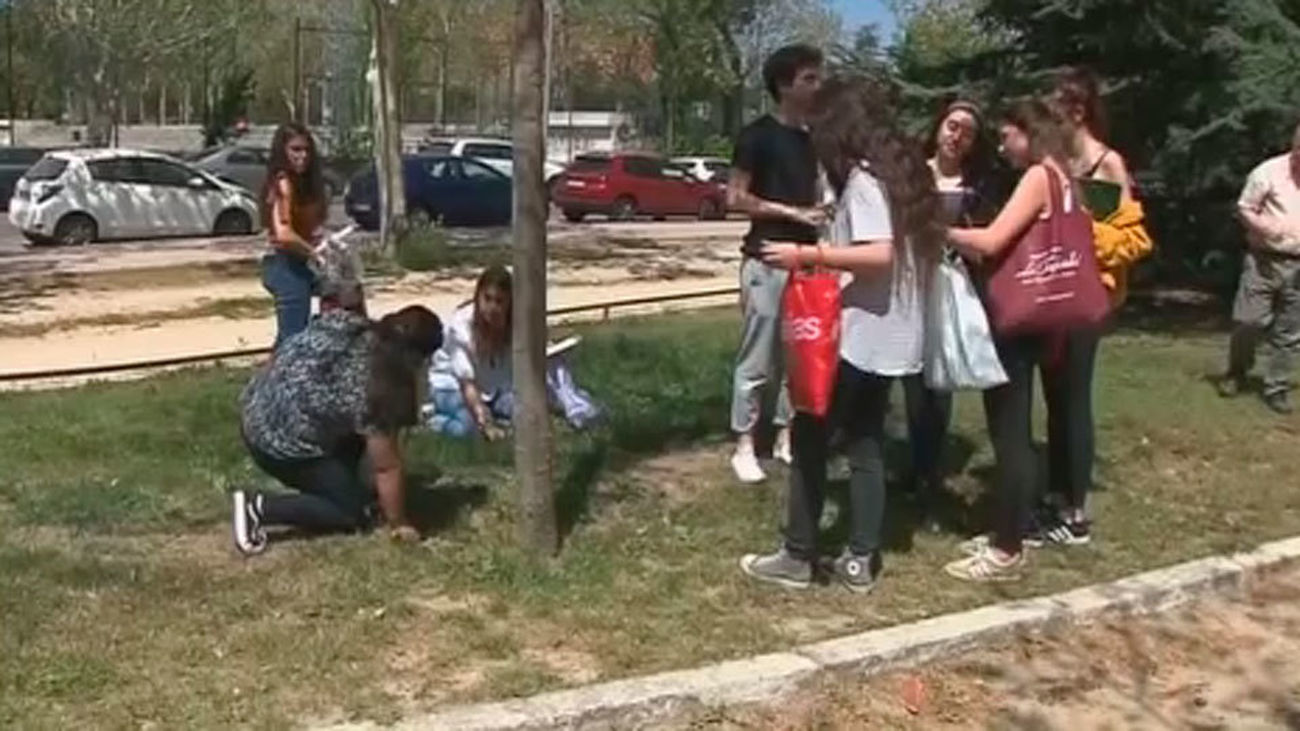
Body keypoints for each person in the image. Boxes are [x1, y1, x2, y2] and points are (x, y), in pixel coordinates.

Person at [739, 76, 943, 592]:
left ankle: (798, 555)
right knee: (865, 443)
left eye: (817, 127)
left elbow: (880, 255)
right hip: (889, 337)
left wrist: (809, 255)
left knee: (811, 441)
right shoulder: (902, 176)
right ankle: (860, 559)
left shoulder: (866, 182)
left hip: (855, 337)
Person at [943, 99, 1085, 582]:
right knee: (1015, 428)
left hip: (1019, 319)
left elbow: (990, 242)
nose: (1002, 147)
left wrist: (935, 229)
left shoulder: (1039, 177)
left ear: (1030, 132)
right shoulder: (1066, 178)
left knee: (1010, 433)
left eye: (1007, 137)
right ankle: (1011, 527)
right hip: (1050, 315)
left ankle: (1007, 548)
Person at [1037, 68, 1152, 542]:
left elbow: (1132, 236)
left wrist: (1083, 233)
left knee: (1075, 396)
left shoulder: (1107, 164)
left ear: (1077, 111)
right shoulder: (1055, 163)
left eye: (1054, 111)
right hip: (1053, 292)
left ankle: (1076, 510)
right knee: (1054, 393)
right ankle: (1056, 492)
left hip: (1090, 295)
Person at [232, 305, 443, 554]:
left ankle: (348, 486)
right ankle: (258, 508)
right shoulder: (378, 389)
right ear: (415, 358)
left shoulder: (348, 324)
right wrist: (399, 522)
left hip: (258, 405)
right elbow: (386, 466)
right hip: (275, 443)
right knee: (350, 511)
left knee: (356, 466)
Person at [726, 44, 827, 484]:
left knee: (800, 355)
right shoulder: (756, 136)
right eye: (809, 78)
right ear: (785, 85)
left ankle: (788, 435)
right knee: (758, 357)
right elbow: (734, 198)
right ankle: (744, 442)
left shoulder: (817, 139)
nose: (817, 86)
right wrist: (791, 213)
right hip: (767, 259)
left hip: (807, 261)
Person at [903, 99, 1005, 524]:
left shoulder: (977, 186)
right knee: (911, 374)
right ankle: (915, 463)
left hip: (950, 283)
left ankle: (929, 468)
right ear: (938, 125)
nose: (956, 135)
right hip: (910, 282)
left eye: (967, 131)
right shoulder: (914, 174)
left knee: (939, 377)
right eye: (952, 125)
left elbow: (984, 238)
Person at [424, 265, 600, 439]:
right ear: (478, 297)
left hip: (494, 388)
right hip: (451, 387)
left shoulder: (514, 325)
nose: (492, 307)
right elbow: (466, 382)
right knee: (469, 428)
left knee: (526, 417)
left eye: (499, 301)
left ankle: (580, 409)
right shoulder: (461, 326)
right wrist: (485, 422)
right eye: (487, 299)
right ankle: (434, 422)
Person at [1220, 121, 1300, 414]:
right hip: (1264, 260)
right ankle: (1237, 372)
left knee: (1290, 332)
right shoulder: (1268, 172)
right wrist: (1263, 227)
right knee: (1248, 321)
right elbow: (1244, 208)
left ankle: (1276, 387)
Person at [262, 122, 329, 349]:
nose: (302, 156)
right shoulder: (283, 182)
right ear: (283, 152)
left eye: (306, 150)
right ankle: (271, 383)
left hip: (302, 263)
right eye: (295, 150)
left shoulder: (307, 185)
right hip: (284, 264)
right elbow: (283, 234)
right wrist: (314, 252)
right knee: (292, 339)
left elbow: (311, 228)